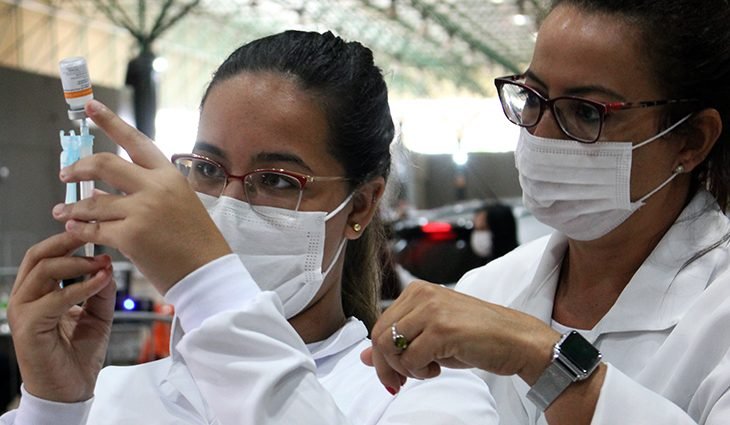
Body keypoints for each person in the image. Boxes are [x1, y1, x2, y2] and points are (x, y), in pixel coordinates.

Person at [1, 31, 495, 424]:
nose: (227, 208)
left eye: (276, 180)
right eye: (208, 170)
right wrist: (53, 409)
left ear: (361, 206)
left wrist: (207, 283)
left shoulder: (424, 395)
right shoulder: (108, 396)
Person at [363, 1, 730, 424]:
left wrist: (541, 356)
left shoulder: (716, 311)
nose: (541, 134)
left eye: (586, 112)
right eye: (533, 97)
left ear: (691, 140)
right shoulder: (489, 288)